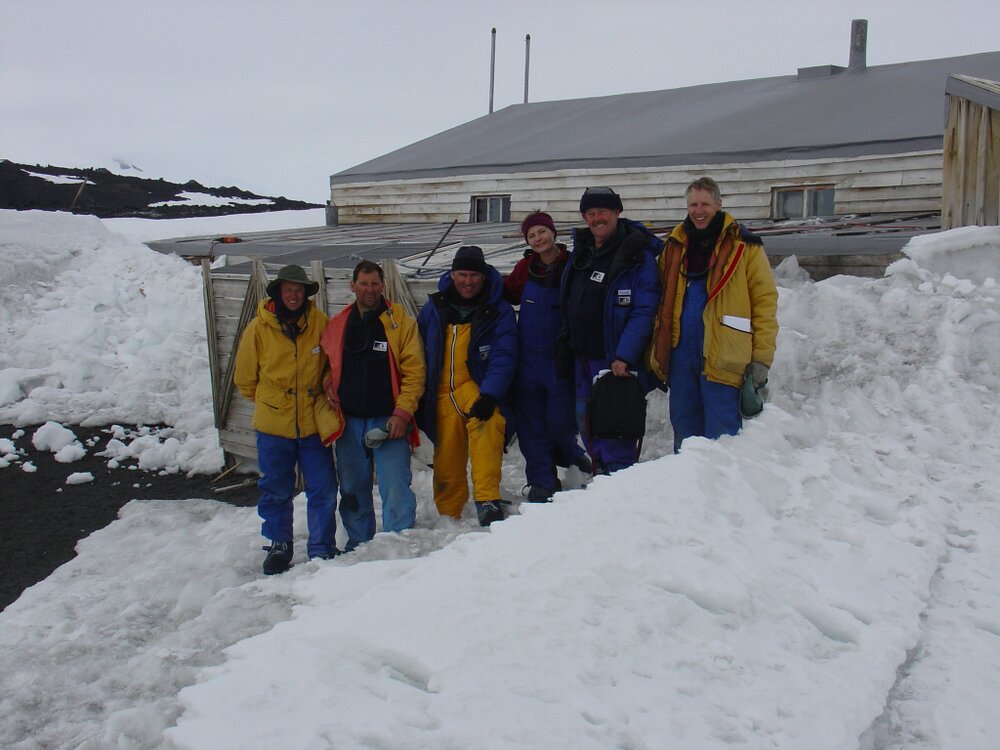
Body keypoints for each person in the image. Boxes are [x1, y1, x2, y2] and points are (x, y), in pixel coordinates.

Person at [650, 176, 778, 452]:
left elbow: (764, 303)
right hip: (681, 355)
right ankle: (688, 490)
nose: (699, 211)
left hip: (725, 356)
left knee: (723, 439)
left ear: (719, 205)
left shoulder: (745, 247)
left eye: (705, 204)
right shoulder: (673, 247)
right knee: (685, 436)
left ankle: (723, 493)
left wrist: (761, 359)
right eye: (693, 204)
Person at [234, 264, 340, 574]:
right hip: (273, 426)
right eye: (288, 290)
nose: (293, 295)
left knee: (322, 486)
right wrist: (273, 402)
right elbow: (244, 379)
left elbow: (330, 367)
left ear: (306, 294)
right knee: (277, 488)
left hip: (311, 424)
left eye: (299, 290)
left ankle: (322, 547)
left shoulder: (320, 322)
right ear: (279, 292)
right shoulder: (258, 328)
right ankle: (279, 544)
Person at [319, 260, 425, 551]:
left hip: (389, 421)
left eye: (375, 284)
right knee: (353, 490)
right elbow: (328, 365)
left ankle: (398, 544)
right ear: (352, 286)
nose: (370, 290)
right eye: (363, 284)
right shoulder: (338, 325)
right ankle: (359, 545)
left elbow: (415, 372)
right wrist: (329, 384)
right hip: (349, 422)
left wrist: (402, 414)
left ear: (383, 285)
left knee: (395, 488)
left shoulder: (399, 322)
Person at [560, 187, 663, 473]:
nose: (597, 219)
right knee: (585, 416)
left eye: (603, 212)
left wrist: (625, 355)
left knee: (614, 421)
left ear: (617, 212)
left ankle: (618, 477)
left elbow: (644, 309)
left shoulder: (636, 256)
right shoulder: (582, 251)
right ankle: (600, 471)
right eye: (591, 214)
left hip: (615, 357)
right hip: (582, 353)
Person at [416, 246, 517, 526]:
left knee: (488, 423)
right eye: (463, 274)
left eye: (474, 275)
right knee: (447, 455)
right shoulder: (434, 307)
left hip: (475, 386)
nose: (468, 281)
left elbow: (504, 355)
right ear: (452, 274)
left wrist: (490, 394)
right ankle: (449, 514)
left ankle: (487, 500)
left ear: (483, 276)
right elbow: (417, 352)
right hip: (440, 392)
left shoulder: (497, 310)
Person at [504, 211, 590, 502]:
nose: (538, 238)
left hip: (561, 359)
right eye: (531, 235)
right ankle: (542, 480)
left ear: (553, 233)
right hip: (527, 360)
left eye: (542, 232)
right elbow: (502, 294)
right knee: (530, 426)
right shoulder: (523, 268)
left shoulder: (573, 265)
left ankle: (570, 454)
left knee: (559, 421)